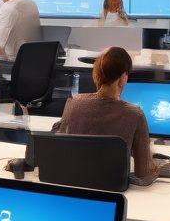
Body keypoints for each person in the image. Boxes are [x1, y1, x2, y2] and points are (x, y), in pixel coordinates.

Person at [55, 46, 158, 182]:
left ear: (96, 74)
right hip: (115, 189)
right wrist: (154, 162)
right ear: (123, 78)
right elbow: (143, 174)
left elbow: (58, 147)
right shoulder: (135, 114)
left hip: (75, 184)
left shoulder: (73, 102)